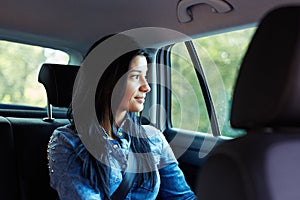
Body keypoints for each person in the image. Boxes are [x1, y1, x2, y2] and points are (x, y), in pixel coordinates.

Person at [47, 34, 197, 200]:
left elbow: (183, 197)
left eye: (145, 76)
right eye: (135, 76)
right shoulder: (66, 142)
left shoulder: (153, 138)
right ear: (106, 82)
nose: (146, 87)